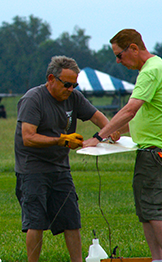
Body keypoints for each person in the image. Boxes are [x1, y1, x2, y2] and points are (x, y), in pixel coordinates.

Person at [84, 29, 162, 262]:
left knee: (156, 212)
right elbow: (150, 114)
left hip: (158, 154)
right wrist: (119, 131)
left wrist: (98, 137)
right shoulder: (158, 67)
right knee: (147, 213)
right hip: (154, 152)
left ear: (133, 48)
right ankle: (158, 260)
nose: (118, 61)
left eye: (120, 55)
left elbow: (130, 109)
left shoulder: (150, 72)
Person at [15, 56, 119, 262]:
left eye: (75, 84)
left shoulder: (74, 98)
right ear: (51, 78)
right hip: (32, 169)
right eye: (67, 84)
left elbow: (97, 116)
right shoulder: (33, 99)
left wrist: (109, 130)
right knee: (35, 223)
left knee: (72, 220)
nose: (71, 89)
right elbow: (28, 137)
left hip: (60, 168)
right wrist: (62, 140)